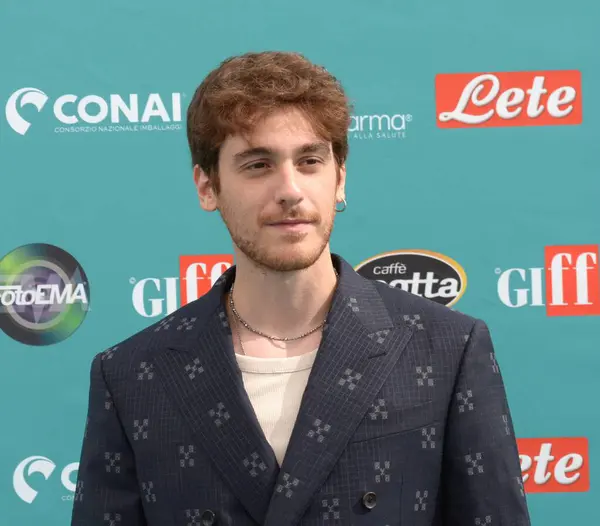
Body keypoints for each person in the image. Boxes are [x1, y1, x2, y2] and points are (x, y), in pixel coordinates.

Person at [71, 51, 531, 526]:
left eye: (310, 160)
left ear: (340, 179)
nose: (290, 189)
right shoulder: (131, 374)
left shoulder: (445, 350)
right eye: (257, 165)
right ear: (207, 187)